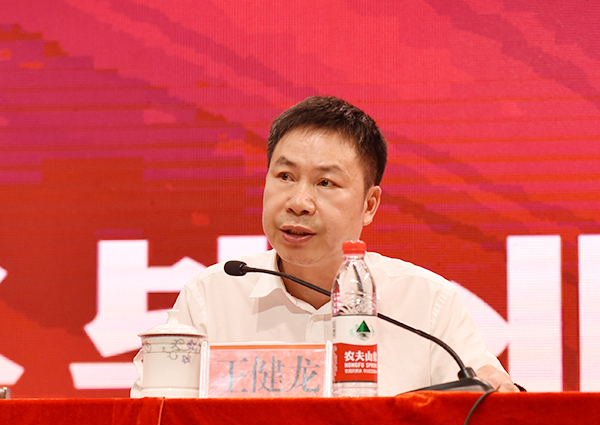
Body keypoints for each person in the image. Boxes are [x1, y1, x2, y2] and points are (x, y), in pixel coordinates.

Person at [145, 96, 519, 396]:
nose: (299, 202)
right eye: (285, 176)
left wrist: (495, 394)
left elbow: (483, 407)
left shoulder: (426, 305)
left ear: (369, 205)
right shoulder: (210, 298)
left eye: (325, 183)